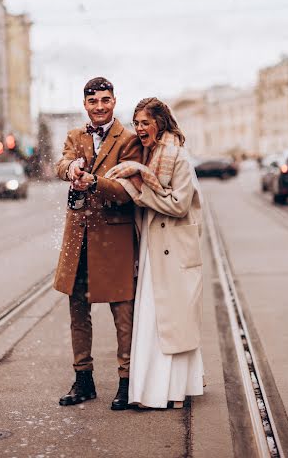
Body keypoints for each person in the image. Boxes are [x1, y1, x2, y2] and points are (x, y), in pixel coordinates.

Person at [105, 97, 204, 409]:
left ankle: (170, 391)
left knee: (170, 322)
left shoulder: (179, 158)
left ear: (160, 122)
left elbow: (178, 204)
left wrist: (141, 184)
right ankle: (155, 389)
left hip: (173, 251)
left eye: (144, 123)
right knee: (155, 320)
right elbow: (144, 195)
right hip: (153, 250)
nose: (139, 128)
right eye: (136, 123)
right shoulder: (149, 157)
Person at [54, 77, 142, 410]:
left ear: (114, 101)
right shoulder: (76, 136)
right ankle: (84, 380)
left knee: (123, 314)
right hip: (78, 239)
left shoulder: (129, 141)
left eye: (106, 100)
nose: (100, 107)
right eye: (94, 102)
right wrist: (70, 168)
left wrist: (95, 183)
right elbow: (61, 163)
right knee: (78, 311)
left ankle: (126, 381)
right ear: (85, 105)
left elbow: (129, 192)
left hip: (115, 239)